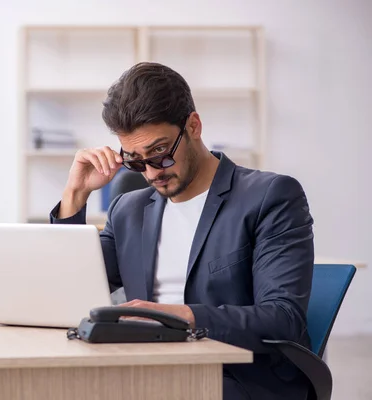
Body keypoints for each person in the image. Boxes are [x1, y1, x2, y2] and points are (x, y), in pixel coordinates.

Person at [49, 62, 314, 400]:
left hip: (237, 377)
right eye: (134, 160)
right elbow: (70, 290)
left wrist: (181, 317)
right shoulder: (128, 210)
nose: (150, 173)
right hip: (147, 368)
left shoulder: (269, 196)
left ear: (193, 126)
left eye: (159, 152)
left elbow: (283, 318)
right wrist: (75, 194)